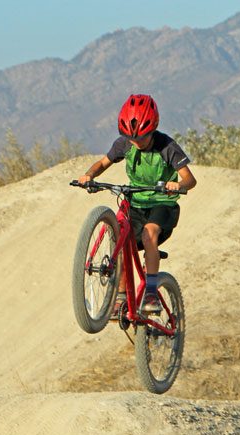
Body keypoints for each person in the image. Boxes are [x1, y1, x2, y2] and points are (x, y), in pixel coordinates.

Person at [77, 94, 197, 315]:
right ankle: (121, 297)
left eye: (141, 138)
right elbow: (103, 163)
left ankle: (151, 291)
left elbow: (190, 179)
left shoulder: (167, 146)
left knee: (149, 234)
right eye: (131, 138)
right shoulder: (125, 143)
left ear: (153, 129)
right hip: (137, 202)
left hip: (163, 205)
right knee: (121, 238)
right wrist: (89, 175)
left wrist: (177, 185)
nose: (135, 142)